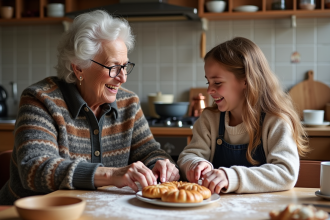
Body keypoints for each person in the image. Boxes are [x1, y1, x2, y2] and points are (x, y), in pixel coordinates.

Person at [0, 10, 179, 205]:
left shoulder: (129, 103)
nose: (123, 77)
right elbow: (35, 168)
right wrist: (111, 174)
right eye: (113, 67)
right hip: (31, 214)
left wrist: (161, 165)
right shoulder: (40, 99)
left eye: (125, 66)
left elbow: (150, 152)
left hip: (98, 212)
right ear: (78, 67)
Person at [178, 37, 309, 194]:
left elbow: (286, 172)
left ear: (246, 81)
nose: (209, 90)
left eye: (217, 83)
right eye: (208, 82)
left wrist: (231, 177)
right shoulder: (209, 120)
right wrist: (195, 164)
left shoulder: (275, 121)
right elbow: (188, 155)